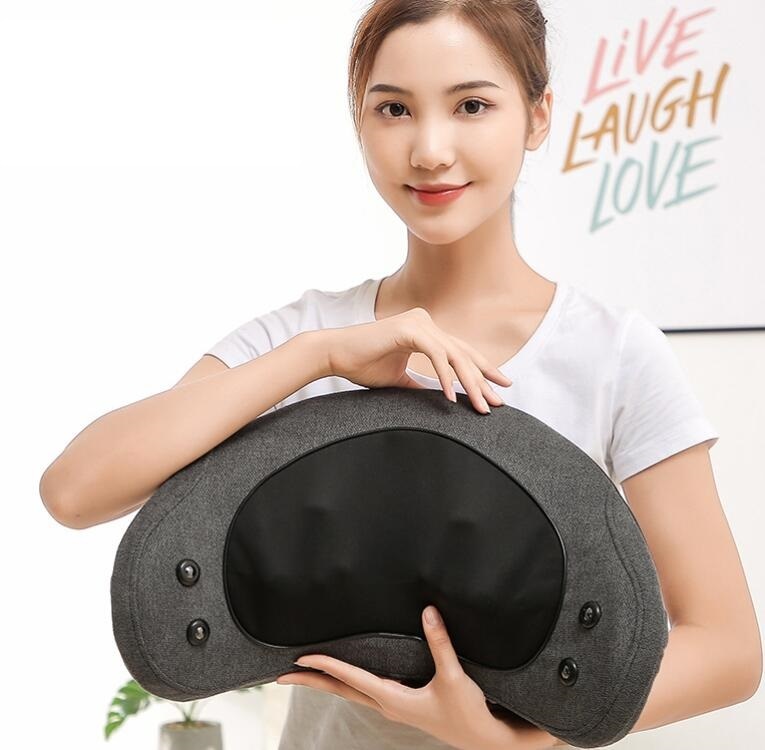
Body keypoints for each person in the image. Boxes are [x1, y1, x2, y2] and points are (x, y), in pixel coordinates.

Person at [39, 1, 761, 749]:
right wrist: (320, 356)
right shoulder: (305, 337)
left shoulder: (612, 354)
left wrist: (517, 742)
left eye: (472, 105)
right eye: (393, 109)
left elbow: (728, 649)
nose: (430, 150)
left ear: (538, 116)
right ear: (360, 121)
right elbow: (75, 492)